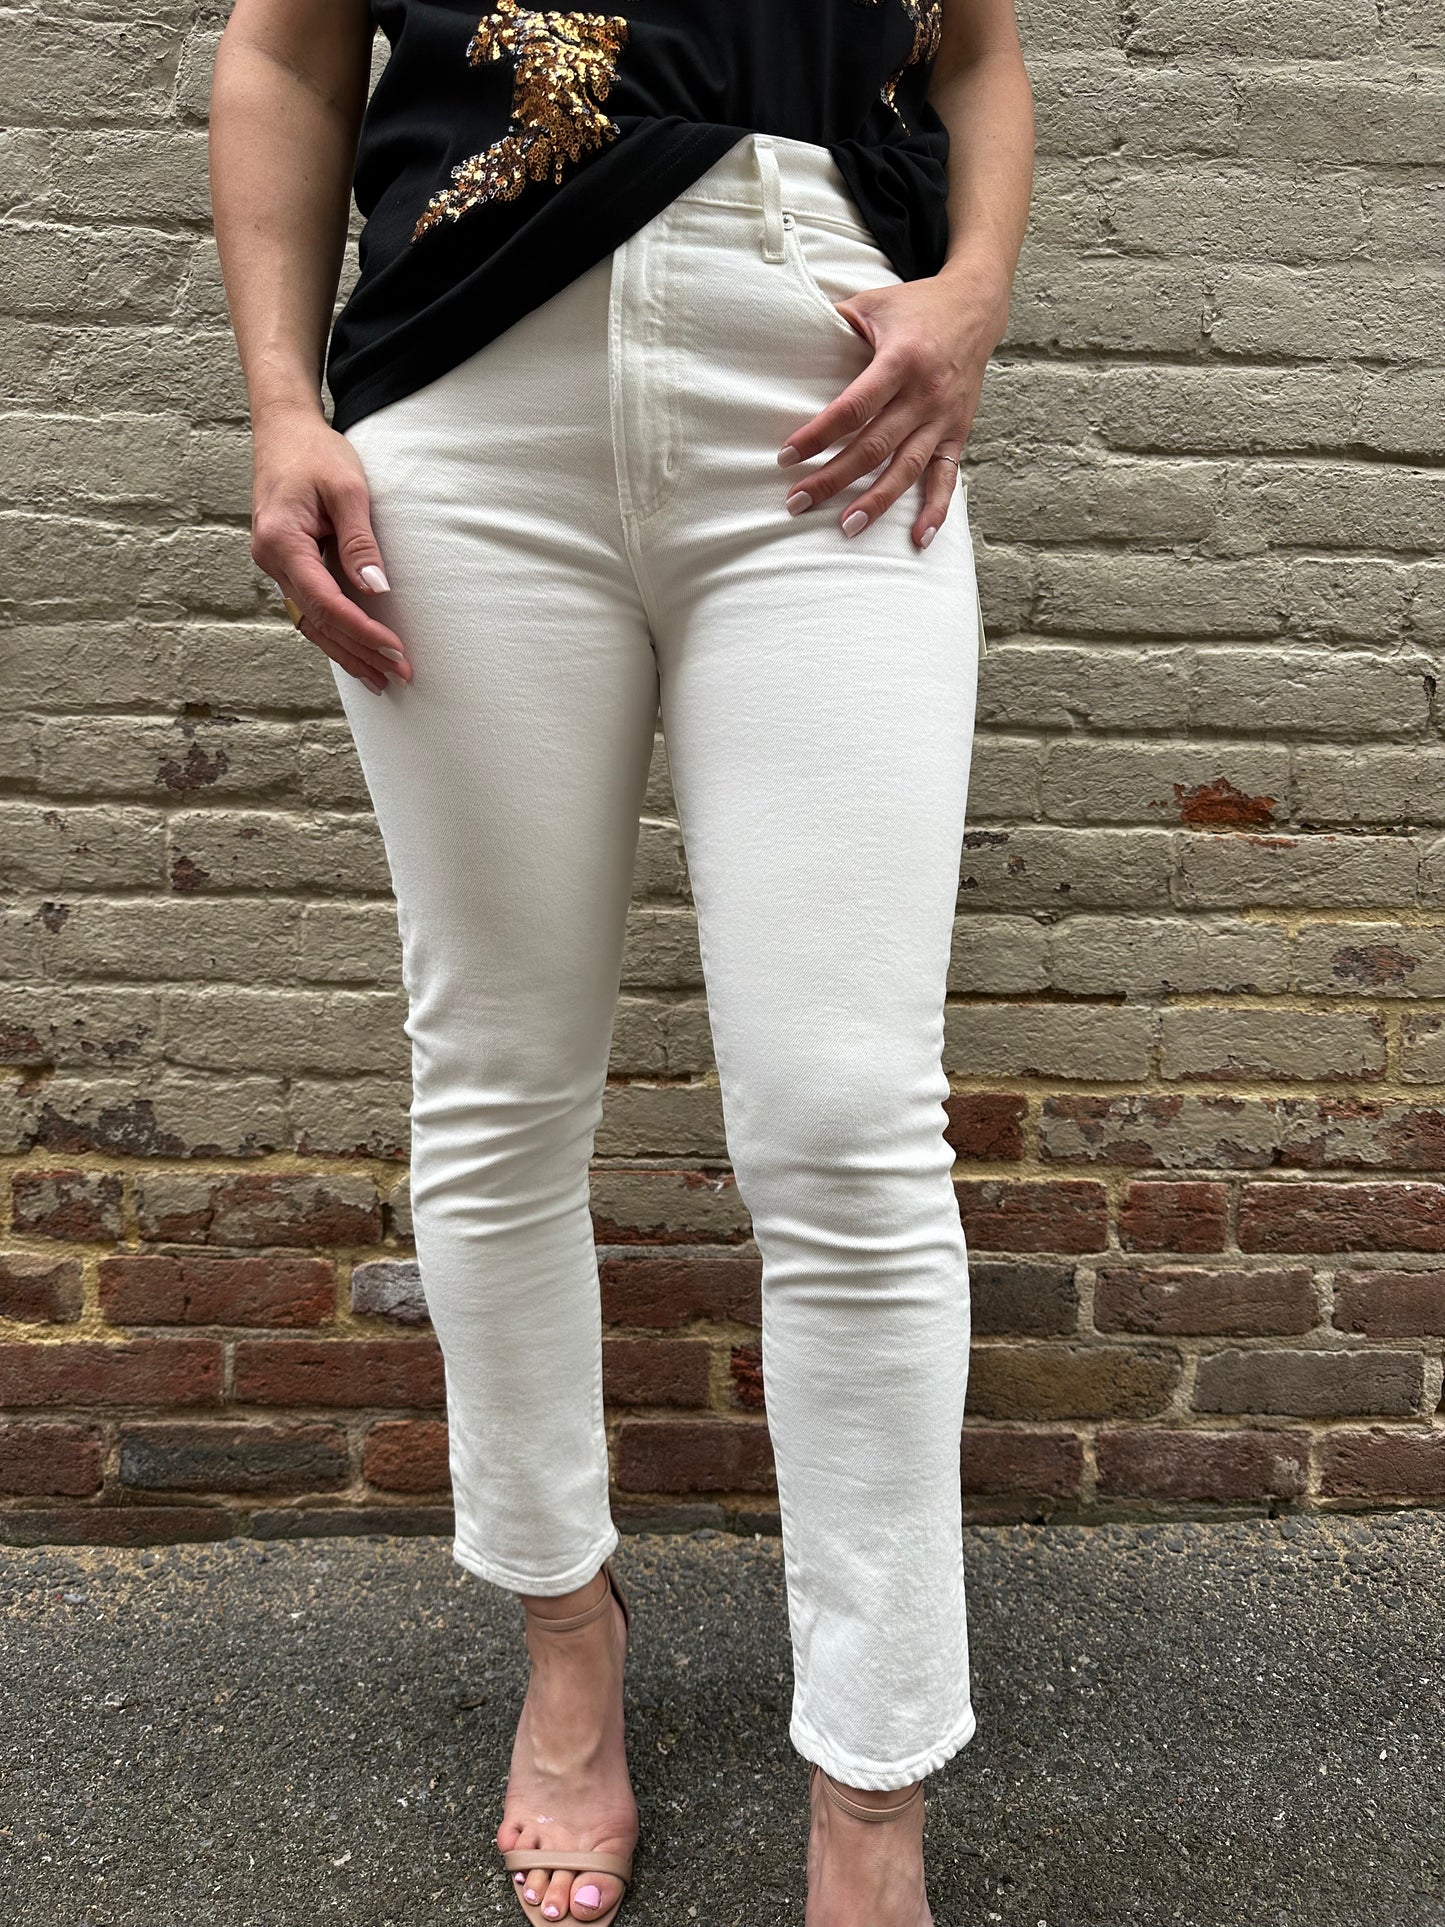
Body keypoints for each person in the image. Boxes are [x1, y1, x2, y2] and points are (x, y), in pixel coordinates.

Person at [208, 3, 1034, 1922]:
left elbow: (978, 54)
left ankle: (873, 1786)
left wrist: (975, 293)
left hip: (826, 379)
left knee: (846, 1121)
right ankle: (566, 1640)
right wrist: (279, 408)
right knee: (499, 1082)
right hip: (464, 397)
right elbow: (287, 57)